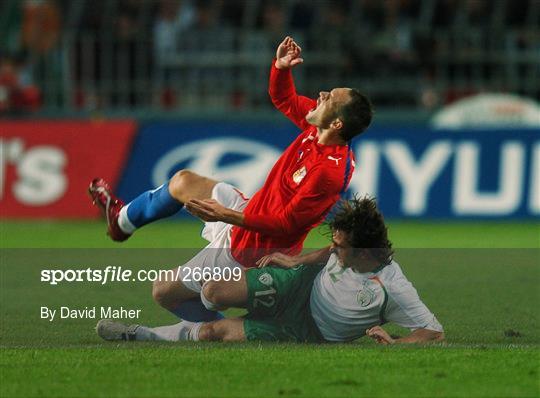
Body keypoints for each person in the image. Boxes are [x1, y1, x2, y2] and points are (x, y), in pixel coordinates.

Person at [88, 36, 373, 322]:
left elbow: (286, 223)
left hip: (254, 249)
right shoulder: (318, 129)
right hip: (246, 212)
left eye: (330, 97)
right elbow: (283, 98)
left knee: (163, 291)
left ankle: (217, 330)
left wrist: (225, 215)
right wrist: (281, 67)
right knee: (182, 182)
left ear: (336, 124)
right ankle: (121, 221)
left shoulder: (328, 171)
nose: (322, 94)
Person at [96, 197, 444, 344]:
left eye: (341, 246)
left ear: (365, 252)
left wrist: (394, 342)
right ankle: (218, 308)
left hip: (305, 330)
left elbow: (433, 332)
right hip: (296, 284)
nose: (334, 248)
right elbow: (327, 251)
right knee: (214, 291)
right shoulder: (342, 251)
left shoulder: (394, 286)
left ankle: (139, 334)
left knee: (215, 332)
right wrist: (296, 261)